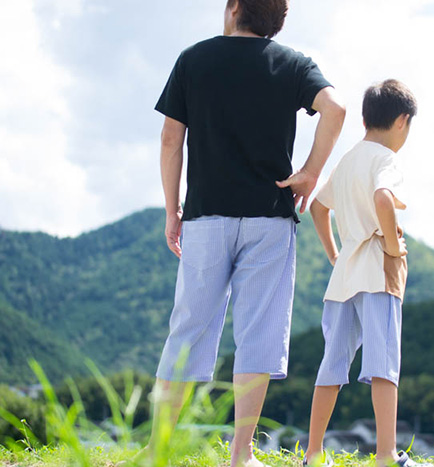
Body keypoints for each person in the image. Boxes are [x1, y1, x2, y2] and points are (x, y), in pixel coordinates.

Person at [141, 1, 346, 466]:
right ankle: (240, 454)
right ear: (277, 21)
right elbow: (335, 107)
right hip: (269, 217)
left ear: (234, 9)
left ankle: (158, 450)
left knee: (187, 330)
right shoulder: (292, 63)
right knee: (258, 335)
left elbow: (171, 140)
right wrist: (311, 172)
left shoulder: (193, 59)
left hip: (206, 217)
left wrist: (171, 209)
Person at [303, 79, 431, 467]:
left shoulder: (348, 159)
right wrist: (392, 246)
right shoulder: (386, 160)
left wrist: (334, 253)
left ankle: (313, 454)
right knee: (383, 366)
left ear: (365, 118)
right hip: (378, 272)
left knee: (332, 366)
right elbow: (382, 198)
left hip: (344, 279)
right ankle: (387, 456)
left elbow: (317, 208)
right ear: (402, 121)